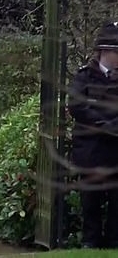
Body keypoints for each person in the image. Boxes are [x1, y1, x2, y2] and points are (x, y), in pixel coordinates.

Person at [68, 22, 118, 249]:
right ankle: (91, 242)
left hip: (114, 150)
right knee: (91, 199)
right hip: (90, 150)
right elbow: (77, 106)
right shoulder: (85, 76)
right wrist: (102, 124)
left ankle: (113, 242)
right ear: (106, 52)